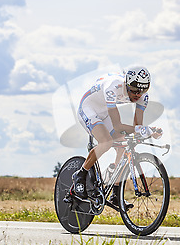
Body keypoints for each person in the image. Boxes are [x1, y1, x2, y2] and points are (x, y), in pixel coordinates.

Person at [68, 66, 162, 207]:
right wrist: (145, 130)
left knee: (124, 146)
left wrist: (148, 132)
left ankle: (116, 194)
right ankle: (80, 174)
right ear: (126, 84)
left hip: (104, 112)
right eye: (135, 90)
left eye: (143, 90)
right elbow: (118, 126)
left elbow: (137, 128)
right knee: (106, 142)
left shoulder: (142, 96)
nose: (138, 95)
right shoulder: (113, 87)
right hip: (89, 108)